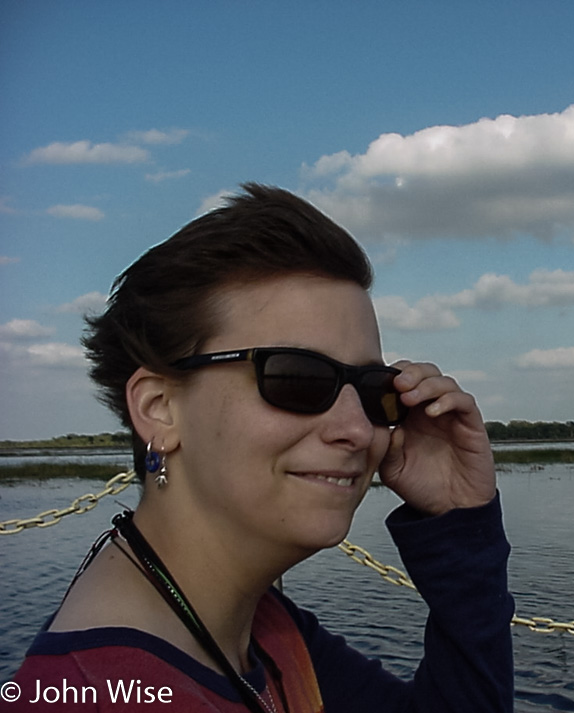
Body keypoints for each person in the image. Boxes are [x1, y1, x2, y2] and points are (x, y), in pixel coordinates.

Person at [11, 184, 514, 712]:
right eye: (296, 378)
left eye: (374, 389)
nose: (358, 430)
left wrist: (460, 524)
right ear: (159, 407)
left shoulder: (259, 629)